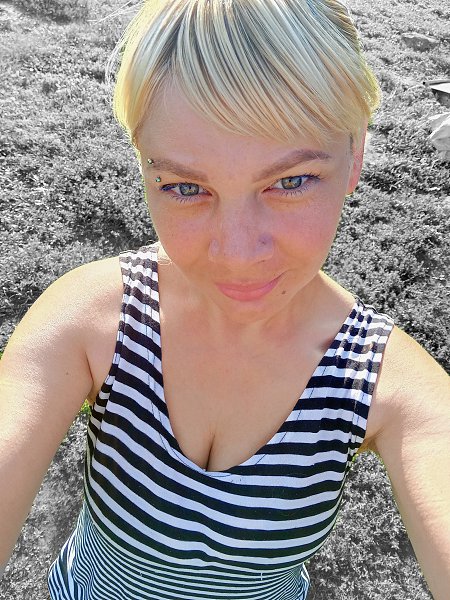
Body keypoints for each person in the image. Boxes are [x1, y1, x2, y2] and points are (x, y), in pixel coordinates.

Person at [1, 0, 449, 598]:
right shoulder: (93, 322)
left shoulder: (386, 382)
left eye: (291, 181)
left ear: (355, 157)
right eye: (185, 187)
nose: (237, 253)